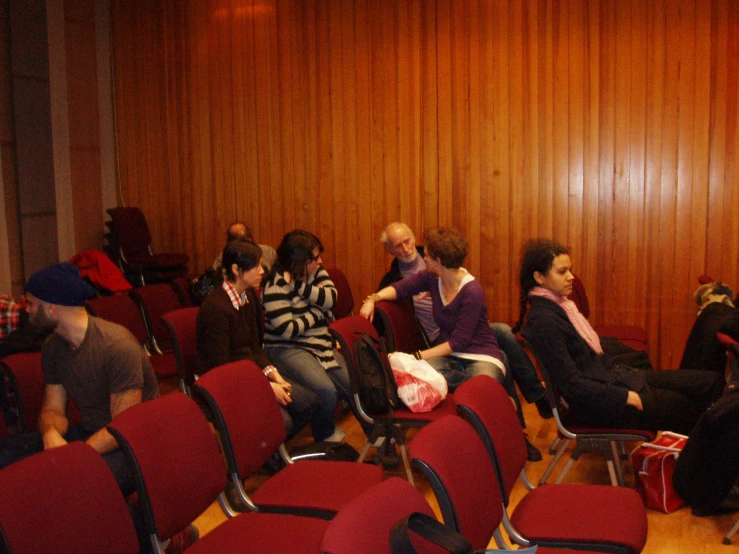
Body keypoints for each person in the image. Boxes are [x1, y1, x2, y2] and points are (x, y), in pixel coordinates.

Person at [0, 263, 196, 553]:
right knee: (8, 457)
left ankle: (158, 538)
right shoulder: (54, 346)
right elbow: (53, 408)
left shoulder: (117, 346)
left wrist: (73, 457)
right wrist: (51, 434)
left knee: (78, 484)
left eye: (32, 303)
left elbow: (123, 428)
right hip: (92, 434)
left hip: (139, 443)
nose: (27, 310)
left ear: (52, 308)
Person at [515, 239, 725, 435]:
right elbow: (573, 386)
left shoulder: (558, 307)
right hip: (602, 406)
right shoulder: (543, 322)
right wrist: (627, 397)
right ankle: (707, 467)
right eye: (562, 272)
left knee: (711, 382)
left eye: (569, 269)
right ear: (539, 277)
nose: (570, 276)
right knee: (695, 407)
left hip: (613, 379)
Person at [378, 222, 551, 420]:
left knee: (502, 335)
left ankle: (529, 399)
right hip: (443, 337)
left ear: (438, 260)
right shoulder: (419, 275)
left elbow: (459, 338)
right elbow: (401, 288)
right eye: (397, 245)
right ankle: (507, 399)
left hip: (463, 339)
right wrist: (373, 299)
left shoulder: (461, 283)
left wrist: (417, 356)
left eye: (407, 242)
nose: (407, 249)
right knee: (498, 357)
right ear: (390, 249)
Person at [197, 238, 319, 440]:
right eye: (256, 266)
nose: (263, 271)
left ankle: (267, 446)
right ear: (237, 270)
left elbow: (254, 347)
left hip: (251, 374)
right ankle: (262, 451)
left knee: (310, 402)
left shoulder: (249, 296)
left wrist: (274, 376)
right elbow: (221, 369)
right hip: (228, 383)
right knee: (284, 421)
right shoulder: (215, 308)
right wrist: (266, 388)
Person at [262, 230, 359, 442]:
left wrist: (298, 287)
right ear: (299, 261)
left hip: (319, 343)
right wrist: (317, 313)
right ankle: (324, 433)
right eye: (314, 259)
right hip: (286, 347)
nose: (320, 261)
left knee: (352, 383)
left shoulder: (315, 273)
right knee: (326, 390)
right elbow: (287, 330)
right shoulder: (274, 285)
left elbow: (331, 299)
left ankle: (377, 434)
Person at [212, 221, 277, 271]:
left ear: (250, 239)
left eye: (245, 242)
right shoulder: (223, 257)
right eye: (239, 244)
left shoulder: (268, 252)